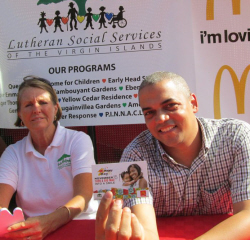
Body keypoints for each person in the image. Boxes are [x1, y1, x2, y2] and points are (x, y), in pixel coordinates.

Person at [95, 71, 250, 240]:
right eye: (149, 113)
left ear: (193, 103)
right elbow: (145, 232)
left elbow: (247, 215)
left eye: (171, 106)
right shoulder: (134, 156)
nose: (161, 118)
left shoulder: (236, 136)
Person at [0, 76, 98, 239]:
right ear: (20, 114)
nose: (36, 109)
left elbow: (83, 196)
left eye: (43, 102)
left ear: (55, 108)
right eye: (28, 105)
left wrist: (48, 222)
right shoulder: (13, 153)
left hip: (81, 224)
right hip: (35, 232)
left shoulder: (78, 140)